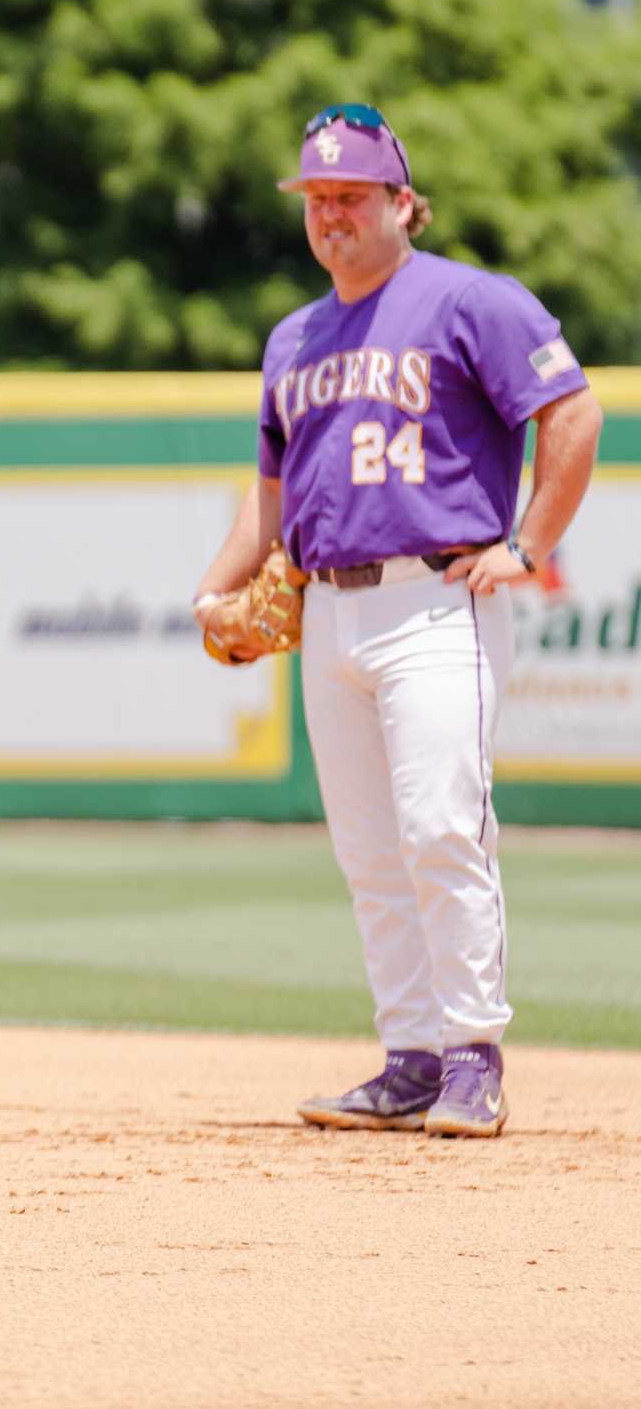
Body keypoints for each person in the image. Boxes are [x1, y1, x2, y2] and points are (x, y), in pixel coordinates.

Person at [195, 104, 602, 1138]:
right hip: (328, 613)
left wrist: (529, 544)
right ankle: (410, 1057)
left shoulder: (470, 300)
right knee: (369, 851)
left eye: (351, 197)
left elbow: (571, 411)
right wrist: (211, 589)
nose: (330, 215)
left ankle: (473, 1054)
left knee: (439, 828)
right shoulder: (292, 336)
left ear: (400, 202)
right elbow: (268, 497)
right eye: (316, 199)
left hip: (436, 602)